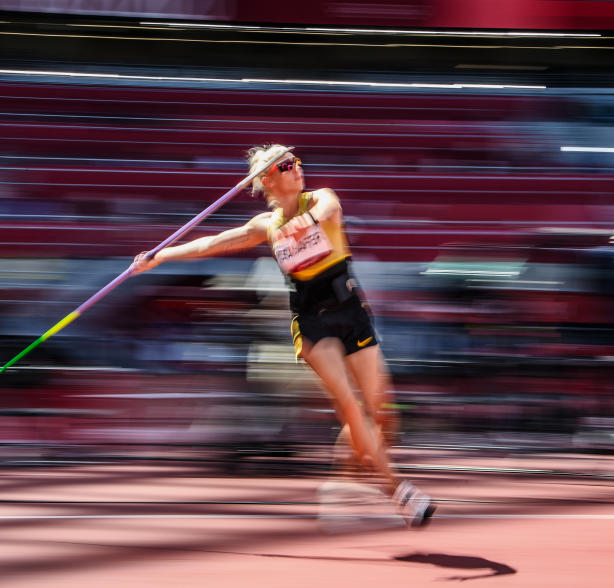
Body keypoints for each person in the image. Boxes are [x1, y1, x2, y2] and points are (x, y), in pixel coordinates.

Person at [131, 144, 435, 527]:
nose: (298, 168)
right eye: (287, 165)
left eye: (296, 162)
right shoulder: (264, 225)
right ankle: (400, 493)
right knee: (350, 406)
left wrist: (287, 232)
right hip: (311, 323)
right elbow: (212, 243)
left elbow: (325, 216)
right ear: (269, 178)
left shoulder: (322, 197)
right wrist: (158, 256)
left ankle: (345, 482)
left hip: (350, 312)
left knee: (381, 412)